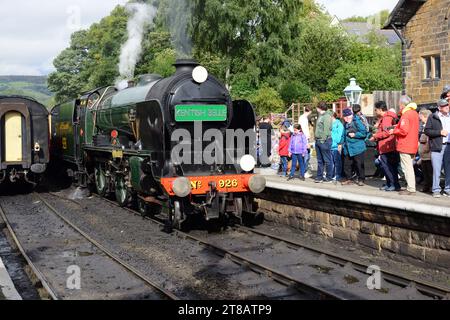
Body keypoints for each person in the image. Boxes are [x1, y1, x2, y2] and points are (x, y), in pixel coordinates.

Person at [389, 95, 420, 195]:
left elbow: (403, 131)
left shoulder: (406, 114)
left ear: (402, 104)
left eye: (399, 104)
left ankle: (411, 188)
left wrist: (394, 130)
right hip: (413, 143)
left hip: (405, 144)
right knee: (409, 166)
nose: (399, 106)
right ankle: (411, 186)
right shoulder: (414, 113)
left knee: (406, 167)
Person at [370, 101, 400, 191]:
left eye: (376, 110)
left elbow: (387, 132)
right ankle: (390, 183)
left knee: (388, 166)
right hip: (387, 145)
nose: (375, 112)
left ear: (380, 109)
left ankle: (393, 184)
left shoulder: (386, 118)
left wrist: (376, 136)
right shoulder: (387, 117)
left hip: (387, 146)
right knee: (388, 166)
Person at [424, 99, 450, 198]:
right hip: (437, 146)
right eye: (444, 105)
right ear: (439, 108)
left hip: (449, 146)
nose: (447, 106)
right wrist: (439, 132)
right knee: (437, 169)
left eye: (447, 105)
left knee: (449, 169)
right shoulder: (433, 117)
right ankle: (436, 189)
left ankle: (448, 189)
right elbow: (427, 131)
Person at [341, 108, 368, 186]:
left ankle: (361, 179)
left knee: (359, 164)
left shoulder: (357, 122)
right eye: (344, 117)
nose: (345, 119)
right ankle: (349, 179)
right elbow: (343, 135)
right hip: (348, 148)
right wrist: (341, 143)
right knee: (346, 164)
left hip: (358, 147)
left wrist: (355, 135)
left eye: (347, 117)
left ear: (350, 116)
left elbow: (364, 133)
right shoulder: (345, 123)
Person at [314, 102, 333, 183]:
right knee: (319, 160)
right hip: (318, 140)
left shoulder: (327, 116)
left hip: (324, 141)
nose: (316, 109)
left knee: (327, 160)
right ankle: (319, 177)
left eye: (317, 107)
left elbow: (326, 130)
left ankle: (329, 177)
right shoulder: (321, 116)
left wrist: (322, 140)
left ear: (320, 108)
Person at [418, 109, 433, 194]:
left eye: (421, 117)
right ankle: (426, 186)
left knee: (430, 172)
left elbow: (428, 140)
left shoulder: (429, 127)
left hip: (428, 154)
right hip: (423, 155)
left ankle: (430, 187)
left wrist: (426, 150)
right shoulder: (424, 126)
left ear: (426, 117)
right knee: (425, 172)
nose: (420, 119)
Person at [299, 107, 313, 177]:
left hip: (301, 137)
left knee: (304, 155)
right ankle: (304, 172)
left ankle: (303, 171)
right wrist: (307, 139)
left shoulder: (301, 117)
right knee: (306, 156)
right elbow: (304, 129)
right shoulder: (304, 118)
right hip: (304, 138)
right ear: (309, 111)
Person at [331, 112, 344, 181]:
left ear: (332, 116)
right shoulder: (330, 124)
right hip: (330, 145)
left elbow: (339, 135)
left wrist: (338, 143)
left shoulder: (338, 124)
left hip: (336, 145)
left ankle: (338, 175)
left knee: (337, 161)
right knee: (331, 161)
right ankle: (332, 174)